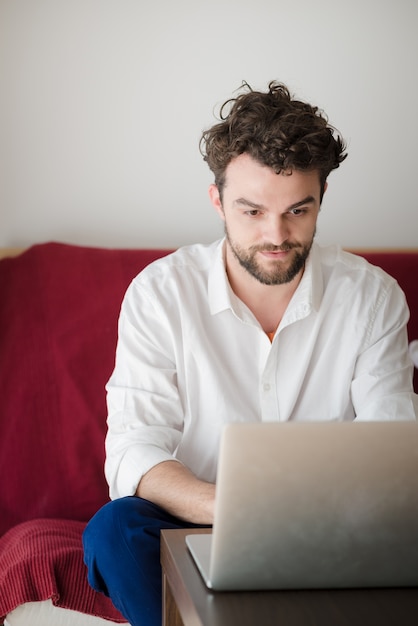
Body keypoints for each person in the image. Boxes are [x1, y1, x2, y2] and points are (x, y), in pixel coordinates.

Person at [83, 81, 417, 626]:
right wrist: (234, 511)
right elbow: (133, 448)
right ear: (216, 200)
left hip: (331, 524)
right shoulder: (159, 293)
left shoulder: (372, 297)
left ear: (321, 200)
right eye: (252, 210)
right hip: (196, 516)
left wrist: (324, 515)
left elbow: (393, 446)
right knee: (113, 532)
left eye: (298, 211)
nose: (276, 234)